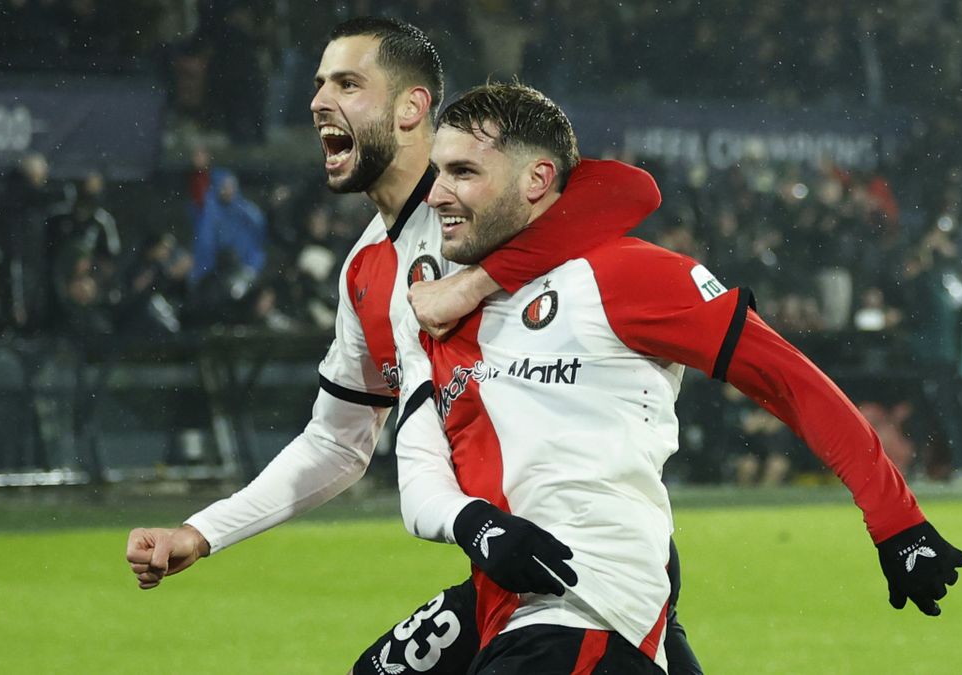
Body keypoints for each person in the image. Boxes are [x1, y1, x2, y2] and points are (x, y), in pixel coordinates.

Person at [123, 17, 703, 675]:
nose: (319, 101)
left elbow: (628, 193)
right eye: (318, 84)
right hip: (502, 560)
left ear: (411, 107)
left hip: (591, 547)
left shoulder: (497, 206)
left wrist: (480, 279)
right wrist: (202, 531)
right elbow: (336, 442)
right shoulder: (367, 271)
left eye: (347, 82)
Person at [392, 82, 962, 673]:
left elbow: (791, 382)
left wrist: (896, 520)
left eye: (462, 171)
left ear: (537, 180)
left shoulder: (622, 275)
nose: (436, 194)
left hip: (582, 613)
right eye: (436, 171)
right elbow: (420, 466)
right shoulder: (436, 311)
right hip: (509, 601)